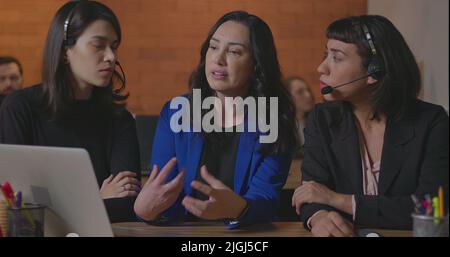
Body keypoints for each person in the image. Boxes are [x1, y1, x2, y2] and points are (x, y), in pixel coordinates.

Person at [134, 11, 298, 228]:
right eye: (213, 47)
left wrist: (237, 208)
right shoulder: (176, 111)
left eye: (234, 52)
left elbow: (265, 200)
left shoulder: (274, 120)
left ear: (256, 65)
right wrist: (147, 212)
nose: (218, 59)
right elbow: (162, 196)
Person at [292, 15, 449, 236]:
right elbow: (312, 192)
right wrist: (319, 217)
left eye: (336, 58)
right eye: (325, 55)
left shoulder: (431, 121)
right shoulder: (322, 118)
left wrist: (337, 199)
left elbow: (429, 208)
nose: (321, 68)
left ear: (374, 71)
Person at [0, 0, 141, 222]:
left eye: (114, 46)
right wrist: (97, 198)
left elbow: (126, 204)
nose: (111, 57)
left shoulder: (119, 119)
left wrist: (60, 208)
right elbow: (17, 205)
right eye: (98, 45)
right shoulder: (19, 107)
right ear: (66, 50)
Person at [285, 76, 315, 158]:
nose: (308, 95)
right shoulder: (282, 126)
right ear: (288, 97)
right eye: (300, 92)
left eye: (308, 90)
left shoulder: (317, 121)